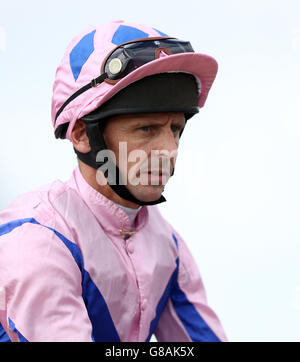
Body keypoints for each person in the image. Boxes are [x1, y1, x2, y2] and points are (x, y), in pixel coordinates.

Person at [0, 20, 227, 342]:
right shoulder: (37, 238)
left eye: (175, 129)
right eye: (146, 129)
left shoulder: (166, 243)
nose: (169, 150)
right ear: (81, 134)